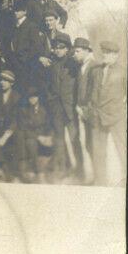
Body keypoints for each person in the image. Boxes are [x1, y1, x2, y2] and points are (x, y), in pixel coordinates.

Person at [89, 41, 127, 186]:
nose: (105, 55)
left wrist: (122, 110)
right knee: (98, 150)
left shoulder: (123, 72)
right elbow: (92, 93)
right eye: (104, 52)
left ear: (116, 56)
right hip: (97, 115)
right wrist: (91, 110)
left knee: (123, 149)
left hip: (116, 116)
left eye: (108, 53)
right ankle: (100, 181)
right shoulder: (96, 71)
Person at [49, 36, 82, 180]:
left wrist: (76, 103)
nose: (58, 50)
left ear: (67, 49)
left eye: (61, 47)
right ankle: (61, 169)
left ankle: (79, 169)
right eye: (56, 47)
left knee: (75, 138)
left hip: (70, 106)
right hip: (56, 107)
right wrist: (51, 100)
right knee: (58, 139)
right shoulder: (52, 64)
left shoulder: (74, 64)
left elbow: (79, 85)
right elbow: (49, 85)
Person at [17, 86, 53, 183]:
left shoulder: (44, 110)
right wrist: (38, 137)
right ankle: (39, 172)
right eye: (30, 97)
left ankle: (52, 169)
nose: (32, 99)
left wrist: (48, 136)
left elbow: (49, 125)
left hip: (44, 136)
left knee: (54, 142)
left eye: (34, 97)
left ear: (38, 98)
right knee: (30, 142)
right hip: (32, 136)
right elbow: (24, 127)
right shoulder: (24, 110)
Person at [9, 0, 47, 91]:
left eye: (18, 10)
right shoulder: (14, 26)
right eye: (14, 10)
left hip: (27, 65)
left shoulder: (31, 26)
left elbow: (36, 47)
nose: (15, 13)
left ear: (25, 11)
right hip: (15, 64)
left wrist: (25, 59)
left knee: (25, 90)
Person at [72, 37, 96, 183]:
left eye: (78, 51)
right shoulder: (82, 66)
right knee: (87, 143)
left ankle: (97, 176)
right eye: (75, 51)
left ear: (87, 51)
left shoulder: (94, 66)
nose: (75, 54)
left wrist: (86, 109)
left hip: (90, 112)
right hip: (82, 110)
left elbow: (94, 91)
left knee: (92, 144)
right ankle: (90, 176)